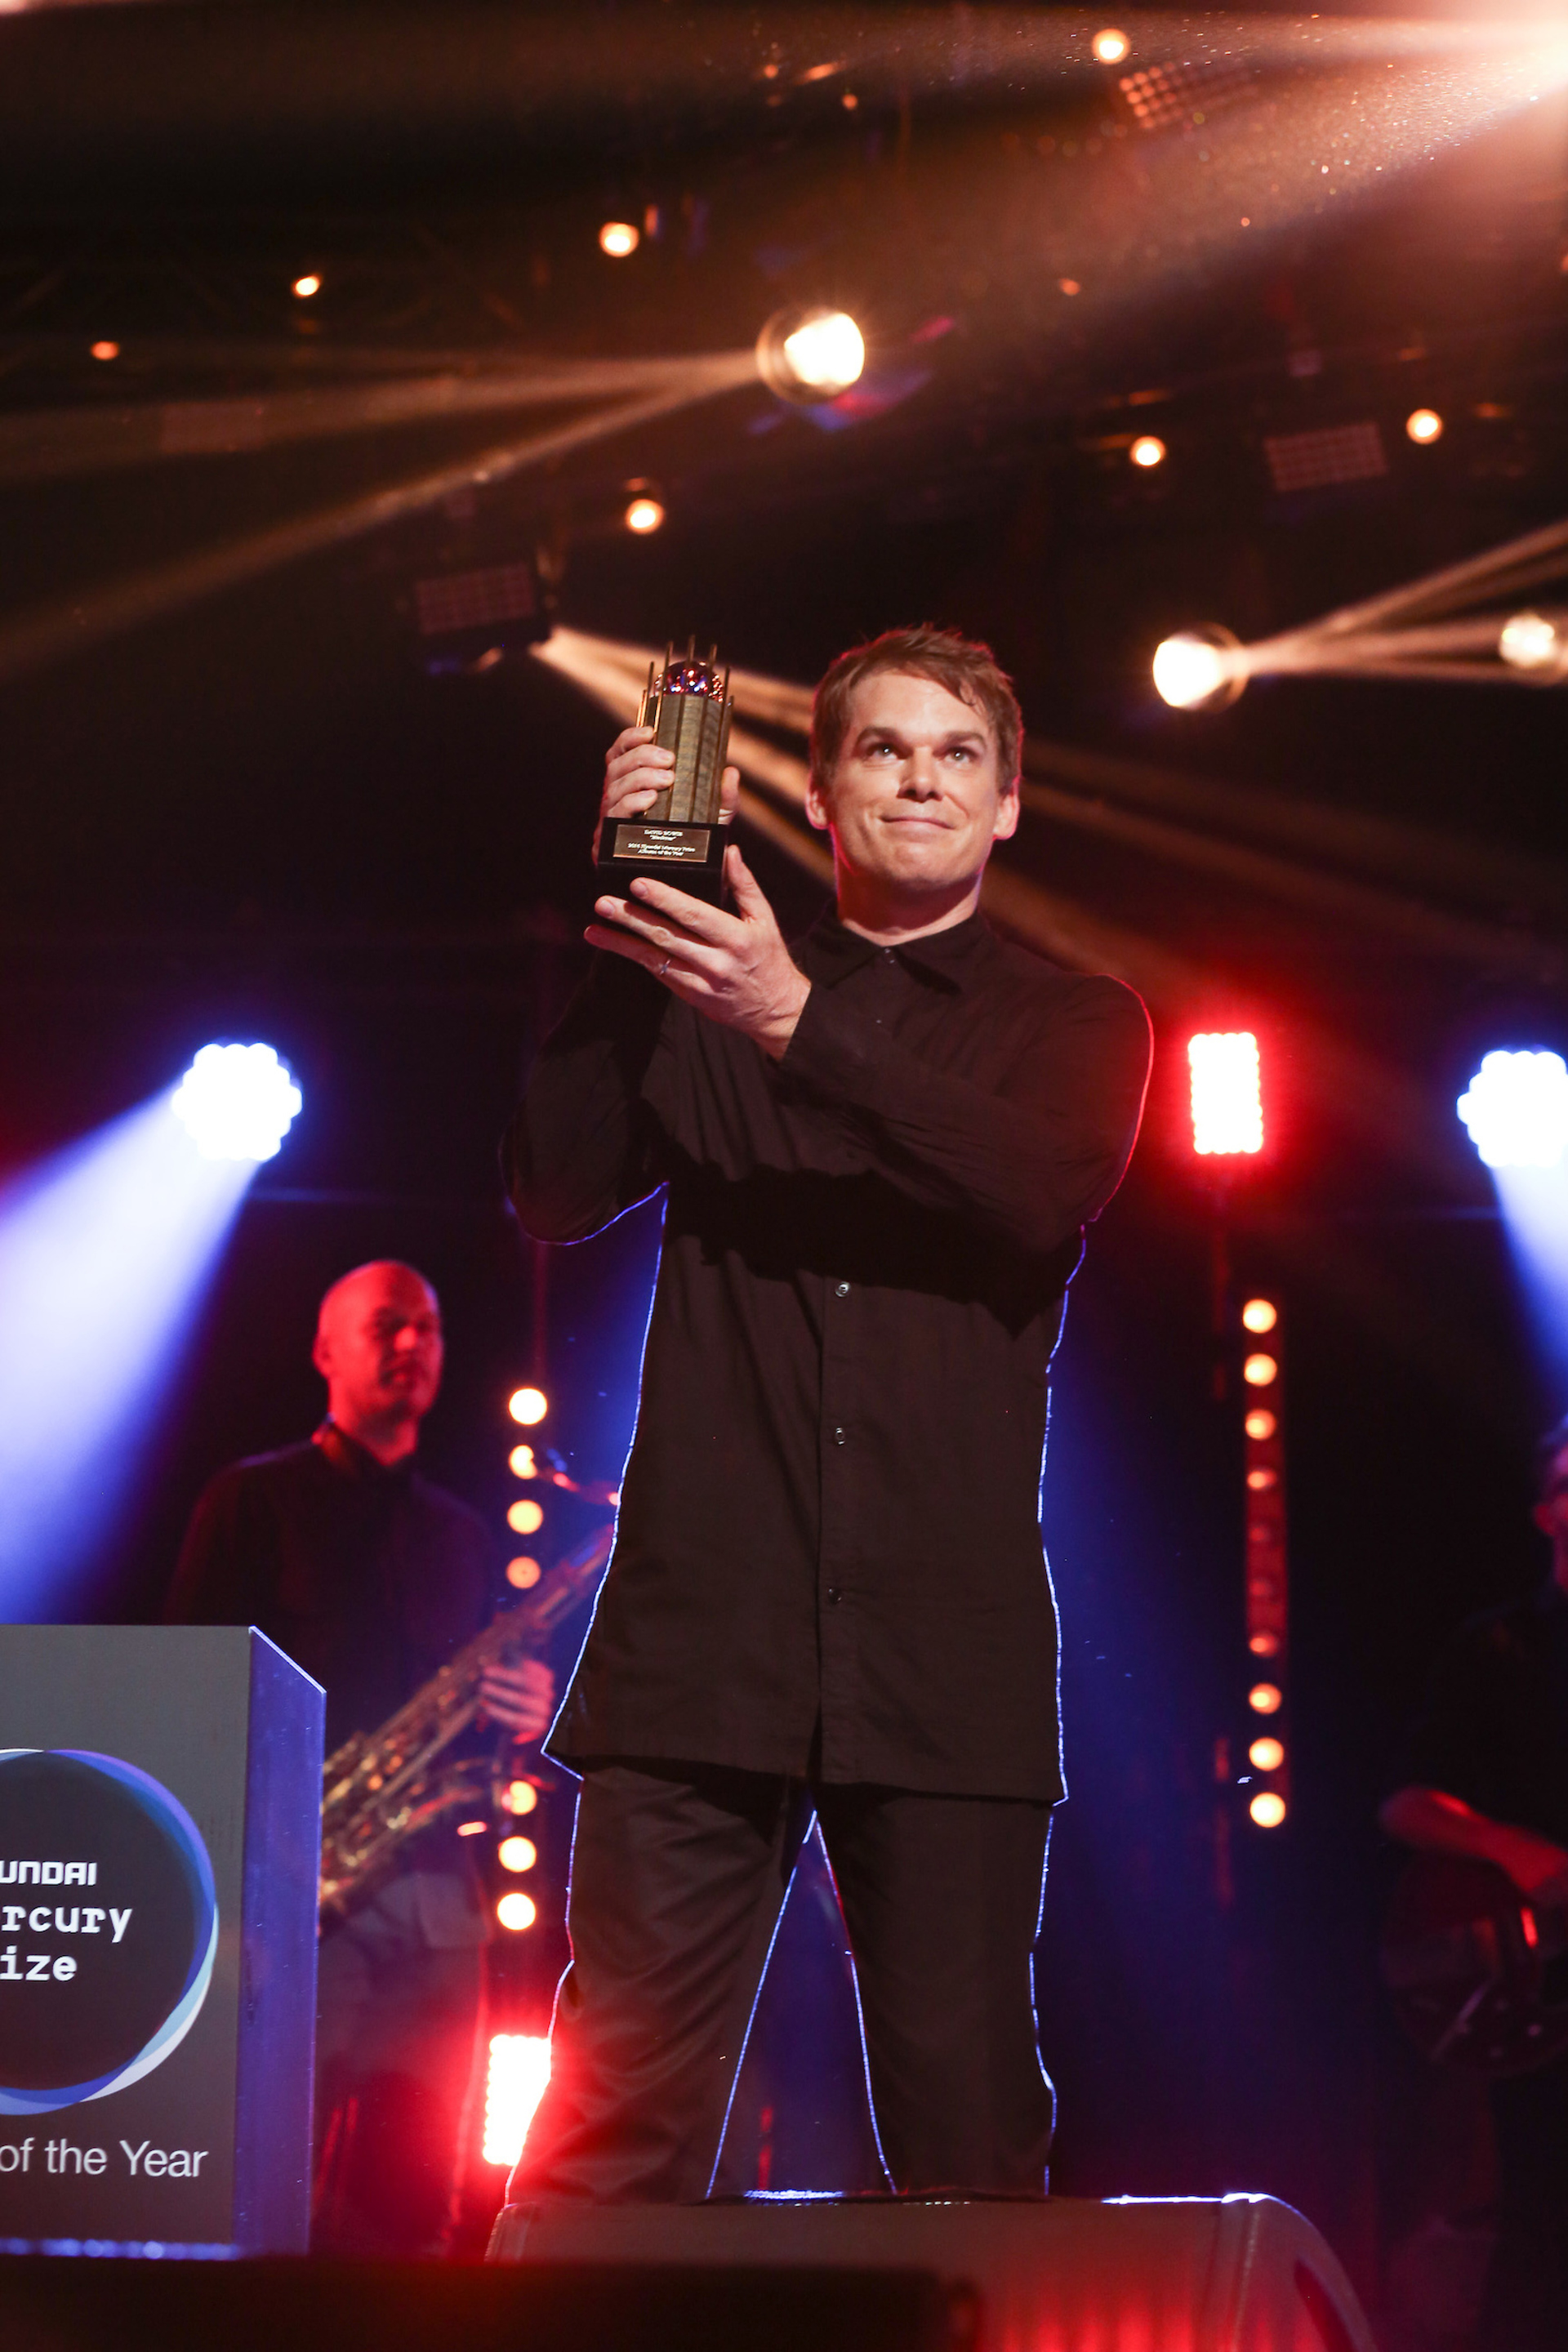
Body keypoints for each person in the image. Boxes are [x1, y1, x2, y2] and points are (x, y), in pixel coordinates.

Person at [503, 624, 1152, 2203]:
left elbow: (1038, 1188)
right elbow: (553, 1189)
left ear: (1007, 805)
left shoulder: (1077, 1028)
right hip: (697, 1650)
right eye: (884, 748)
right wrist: (621, 920)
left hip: (946, 1662)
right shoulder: (703, 976)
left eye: (958, 757)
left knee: (970, 2137)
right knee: (611, 2135)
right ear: (817, 784)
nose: (920, 778)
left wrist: (797, 1019)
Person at [166, 1258, 555, 2254]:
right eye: (386, 1325)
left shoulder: (465, 1535)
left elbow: (489, 1731)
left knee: (415, 2203)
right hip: (296, 1892)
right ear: (323, 1350)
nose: (412, 1344)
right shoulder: (250, 1501)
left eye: (427, 1327)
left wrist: (526, 1709)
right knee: (263, 2185)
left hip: (437, 1901)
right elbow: (190, 1697)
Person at [1381, 1415, 1568, 2350]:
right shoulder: (1496, 1651)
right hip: (1540, 1993)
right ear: (1548, 1512)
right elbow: (1406, 1804)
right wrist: (1514, 1850)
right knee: (1540, 2219)